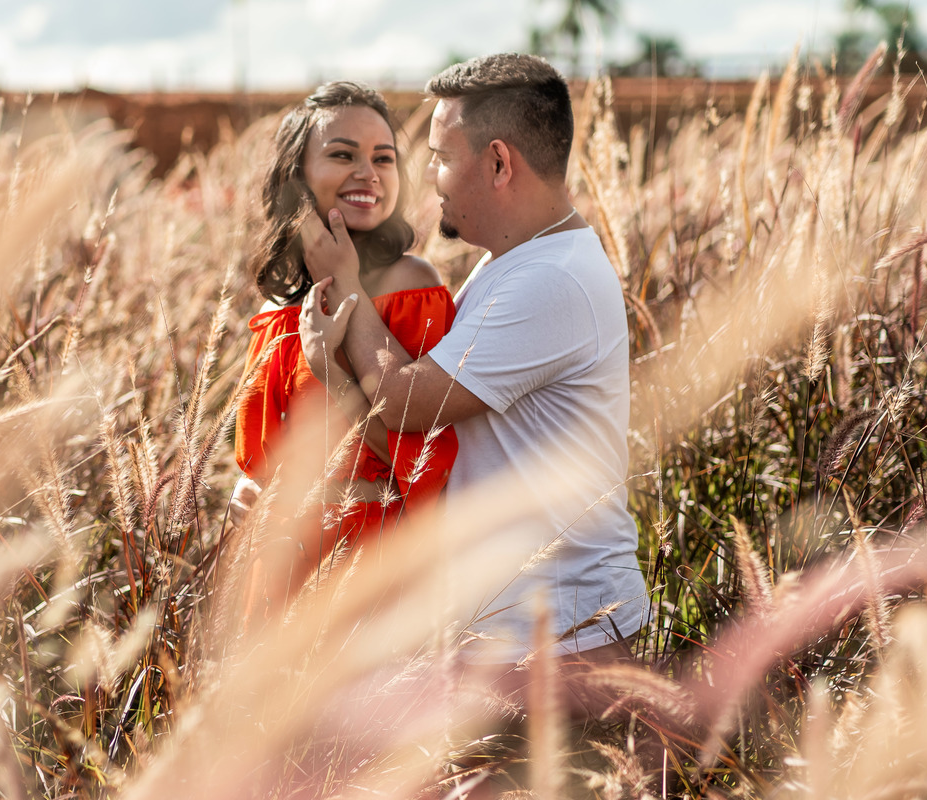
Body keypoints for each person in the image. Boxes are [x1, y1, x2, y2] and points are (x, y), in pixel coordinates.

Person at [299, 55, 649, 685]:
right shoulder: (512, 263)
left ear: (498, 163)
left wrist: (346, 287)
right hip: (517, 637)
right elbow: (424, 442)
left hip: (561, 643)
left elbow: (406, 404)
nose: (428, 175)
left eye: (440, 155)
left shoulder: (550, 280)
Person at [232, 81, 458, 627]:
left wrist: (330, 369)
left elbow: (426, 463)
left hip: (372, 562)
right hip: (280, 560)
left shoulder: (413, 286)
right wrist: (250, 489)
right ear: (296, 176)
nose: (369, 173)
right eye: (342, 155)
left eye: (384, 158)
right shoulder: (278, 307)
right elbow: (264, 453)